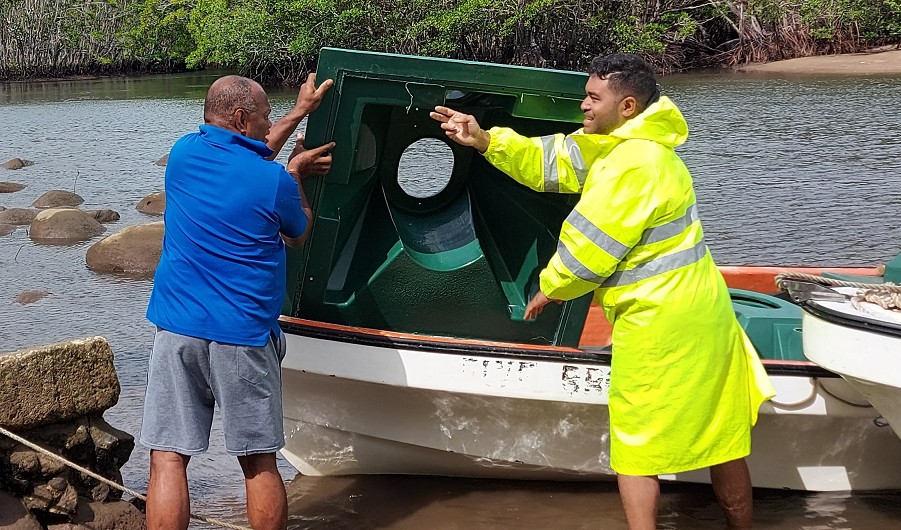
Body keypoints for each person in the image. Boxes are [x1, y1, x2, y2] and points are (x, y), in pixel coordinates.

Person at [431, 54, 775, 529]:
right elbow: (553, 162)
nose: (583, 107)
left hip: (660, 324)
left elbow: (589, 249)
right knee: (724, 438)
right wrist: (485, 140)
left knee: (635, 449)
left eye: (594, 98)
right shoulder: (635, 144)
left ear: (627, 105)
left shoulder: (632, 163)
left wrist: (548, 289)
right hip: (706, 312)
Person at [140, 73, 335, 530]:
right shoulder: (274, 181)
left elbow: (251, 150)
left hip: (177, 330)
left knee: (167, 457)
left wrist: (298, 113)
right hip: (242, 336)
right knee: (258, 461)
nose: (271, 125)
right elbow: (298, 233)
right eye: (266, 116)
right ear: (243, 118)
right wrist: (296, 177)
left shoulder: (183, 154)